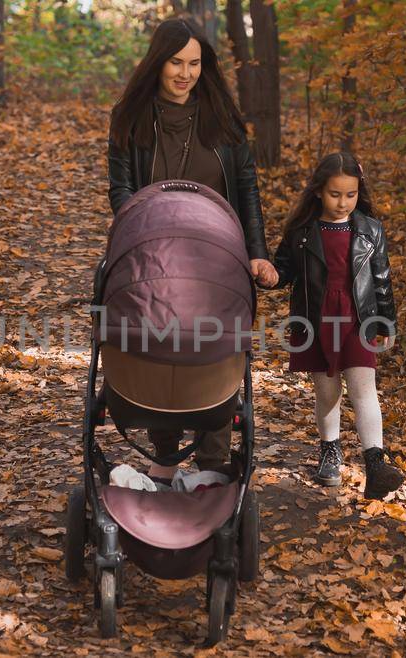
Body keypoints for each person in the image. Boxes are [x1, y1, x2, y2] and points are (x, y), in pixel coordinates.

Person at [105, 17, 277, 483]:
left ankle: (213, 463)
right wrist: (141, 231)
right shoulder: (131, 119)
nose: (185, 73)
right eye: (176, 62)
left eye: (195, 63)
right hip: (153, 256)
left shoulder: (224, 120)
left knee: (216, 349)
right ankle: (164, 453)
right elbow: (121, 192)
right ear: (157, 62)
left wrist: (257, 252)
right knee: (158, 343)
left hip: (215, 259)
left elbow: (247, 193)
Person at [268, 153, 404, 500]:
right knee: (327, 392)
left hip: (358, 315)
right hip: (315, 316)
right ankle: (330, 451)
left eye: (350, 195)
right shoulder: (301, 231)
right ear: (317, 192)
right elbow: (284, 270)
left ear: (359, 193)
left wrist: (386, 321)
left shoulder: (370, 230)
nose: (343, 202)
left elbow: (382, 279)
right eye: (334, 194)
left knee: (364, 389)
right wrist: (269, 276)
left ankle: (375, 463)